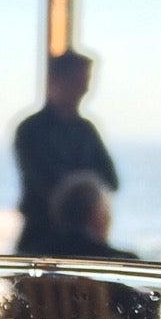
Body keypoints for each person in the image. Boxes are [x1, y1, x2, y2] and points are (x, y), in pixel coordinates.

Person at [13, 50, 117, 255]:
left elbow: (112, 180)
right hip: (40, 241)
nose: (84, 89)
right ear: (56, 81)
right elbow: (47, 186)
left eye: (85, 82)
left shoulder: (86, 130)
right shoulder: (31, 130)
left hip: (81, 244)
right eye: (77, 82)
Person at [39, 171, 137, 261]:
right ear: (97, 216)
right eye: (107, 212)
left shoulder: (39, 256)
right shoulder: (124, 261)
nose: (110, 219)